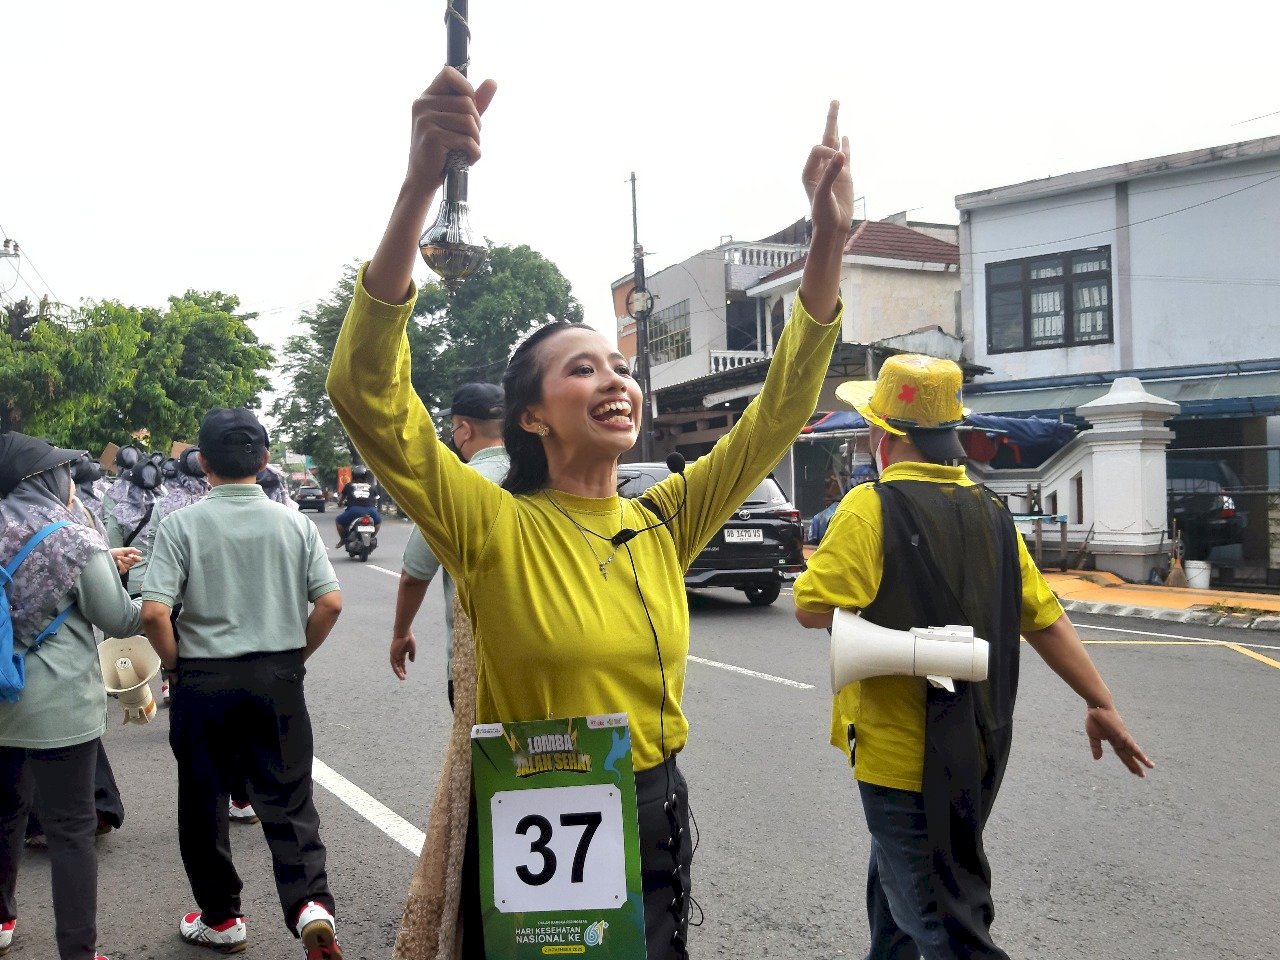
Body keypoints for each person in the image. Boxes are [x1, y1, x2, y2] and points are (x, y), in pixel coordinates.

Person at [326, 65, 849, 960]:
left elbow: (777, 411)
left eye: (619, 365)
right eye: (582, 368)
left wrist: (827, 246)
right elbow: (366, 393)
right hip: (537, 824)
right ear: (530, 415)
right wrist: (419, 186)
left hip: (654, 811)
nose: (614, 379)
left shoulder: (666, 517)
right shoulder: (489, 525)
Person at [793, 354, 1154, 960]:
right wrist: (1101, 702)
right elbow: (1048, 620)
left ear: (884, 437)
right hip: (979, 745)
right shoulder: (993, 513)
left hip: (901, 760)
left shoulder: (869, 507)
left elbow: (811, 607)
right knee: (897, 911)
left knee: (944, 927)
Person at [140, 408, 345, 958]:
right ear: (264, 458)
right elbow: (329, 602)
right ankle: (309, 905)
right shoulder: (294, 522)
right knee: (288, 795)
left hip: (204, 677)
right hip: (277, 673)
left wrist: (178, 666)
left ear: (203, 462)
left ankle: (222, 919)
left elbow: (155, 613)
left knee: (202, 798)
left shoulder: (181, 524)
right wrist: (295, 655)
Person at [0, 432, 144, 960]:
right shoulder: (71, 538)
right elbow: (121, 619)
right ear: (46, 480)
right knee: (70, 830)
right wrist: (128, 581)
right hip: (56, 707)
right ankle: (77, 952)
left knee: (4, 814)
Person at [391, 382, 509, 706]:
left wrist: (401, 633)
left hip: (474, 667)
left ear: (465, 430)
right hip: (547, 659)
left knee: (477, 755)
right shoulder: (539, 479)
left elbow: (413, 575)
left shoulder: (450, 488)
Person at [334, 465, 381, 547]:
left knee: (338, 521)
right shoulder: (372, 486)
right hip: (371, 511)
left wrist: (340, 504)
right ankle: (372, 537)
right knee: (378, 522)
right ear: (366, 475)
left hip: (353, 511)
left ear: (353, 475)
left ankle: (343, 540)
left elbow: (341, 499)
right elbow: (376, 499)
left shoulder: (349, 486)